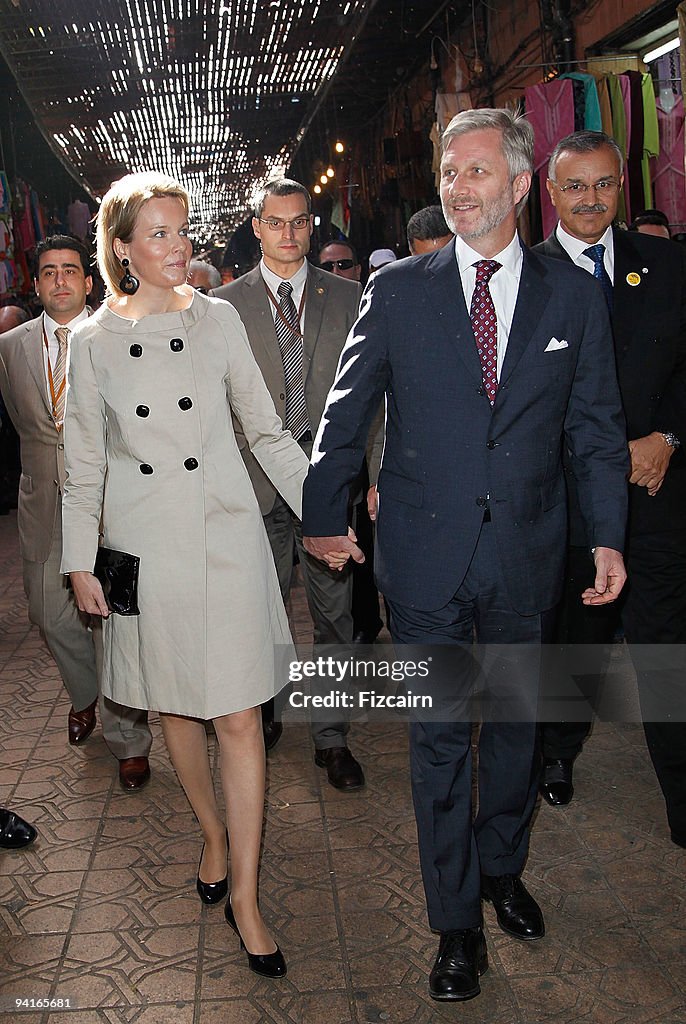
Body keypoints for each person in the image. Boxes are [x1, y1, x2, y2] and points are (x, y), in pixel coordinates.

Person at [301, 108, 629, 1002]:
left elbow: (597, 429)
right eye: (449, 173)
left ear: (522, 186)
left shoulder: (572, 296)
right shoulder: (400, 289)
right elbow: (346, 408)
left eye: (478, 172)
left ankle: (500, 870)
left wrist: (606, 536)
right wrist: (324, 514)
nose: (458, 187)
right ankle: (454, 924)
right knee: (440, 740)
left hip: (527, 553)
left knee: (517, 737)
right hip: (423, 556)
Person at [61, 171, 315, 978]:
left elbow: (267, 432)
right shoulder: (91, 340)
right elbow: (84, 468)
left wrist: (326, 510)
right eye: (159, 234)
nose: (177, 247)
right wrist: (77, 561)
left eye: (183, 230)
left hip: (226, 536)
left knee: (239, 715)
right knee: (174, 705)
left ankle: (245, 893)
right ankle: (210, 830)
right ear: (125, 249)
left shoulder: (220, 320)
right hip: (140, 548)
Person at [536, 131, 686, 848]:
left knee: (664, 649)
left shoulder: (668, 264)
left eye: (601, 185)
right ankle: (557, 754)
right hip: (564, 502)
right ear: (550, 192)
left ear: (622, 185)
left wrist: (668, 440)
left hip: (657, 496)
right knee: (574, 640)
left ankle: (682, 795)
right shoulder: (525, 277)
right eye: (574, 186)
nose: (589, 199)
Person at [213, 179, 366, 790]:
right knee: (259, 613)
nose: (287, 233)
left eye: (298, 221)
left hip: (326, 482)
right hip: (251, 485)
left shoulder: (351, 297)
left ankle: (331, 738)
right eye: (275, 222)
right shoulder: (222, 305)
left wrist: (371, 477)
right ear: (256, 227)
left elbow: (373, 395)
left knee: (336, 618)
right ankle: (268, 710)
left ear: (312, 226)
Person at [0, 236, 152, 790]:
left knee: (111, 623)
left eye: (70, 270)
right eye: (47, 272)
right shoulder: (11, 347)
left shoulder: (117, 337)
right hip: (42, 506)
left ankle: (128, 739)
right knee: (49, 614)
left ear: (89, 283)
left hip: (111, 504)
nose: (59, 280)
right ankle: (86, 694)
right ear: (36, 285)